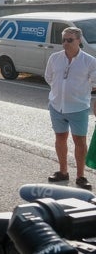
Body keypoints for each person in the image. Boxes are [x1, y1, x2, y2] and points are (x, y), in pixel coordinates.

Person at [44, 27, 96, 190]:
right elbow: (49, 77)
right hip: (56, 106)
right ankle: (63, 171)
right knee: (60, 138)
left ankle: (81, 176)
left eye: (69, 40)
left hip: (78, 107)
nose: (65, 43)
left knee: (79, 141)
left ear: (79, 41)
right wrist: (60, 92)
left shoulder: (89, 61)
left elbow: (95, 83)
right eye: (64, 40)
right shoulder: (54, 58)